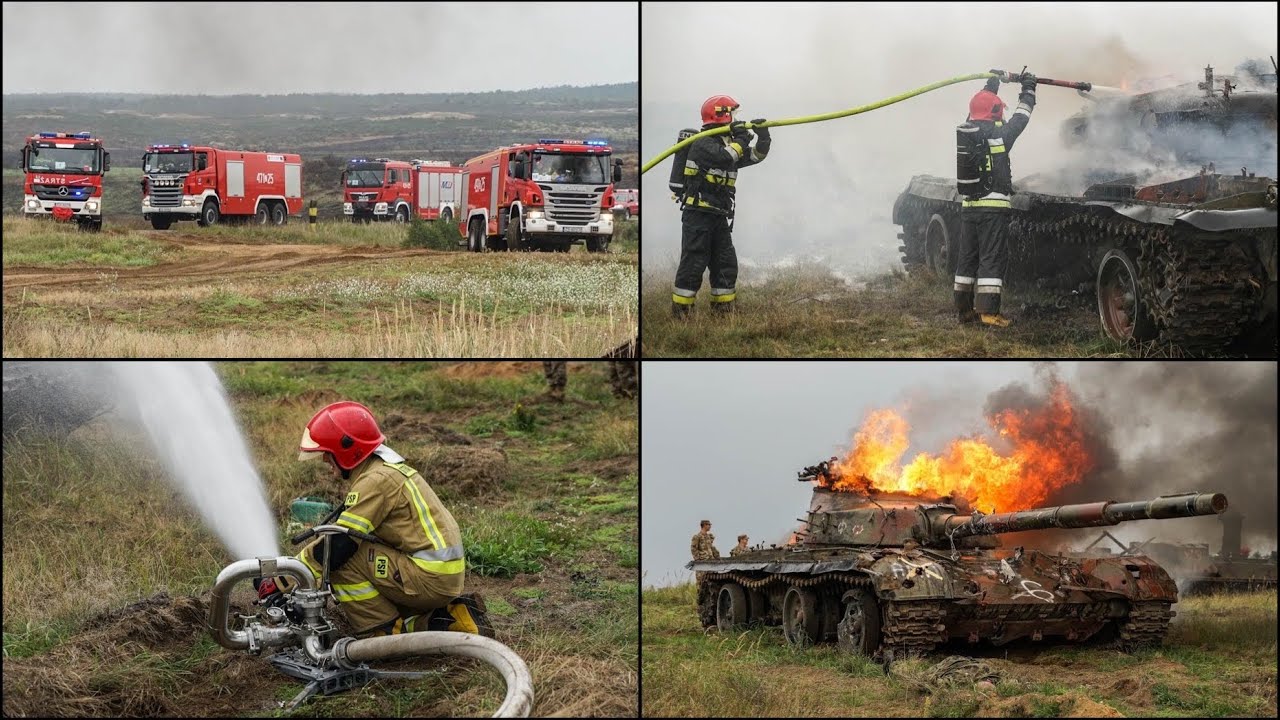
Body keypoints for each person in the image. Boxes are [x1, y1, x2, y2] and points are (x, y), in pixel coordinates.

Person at [257, 401, 493, 639]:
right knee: (343, 550)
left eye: (328, 454)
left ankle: (380, 632)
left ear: (347, 449)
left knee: (342, 558)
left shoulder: (377, 481)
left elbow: (339, 545)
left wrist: (282, 578)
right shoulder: (383, 470)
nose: (325, 461)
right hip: (435, 574)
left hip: (428, 577)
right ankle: (450, 620)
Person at [671, 95, 771, 316]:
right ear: (722, 115)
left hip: (718, 215)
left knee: (725, 262)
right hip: (698, 215)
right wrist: (742, 138)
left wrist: (763, 138)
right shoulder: (702, 143)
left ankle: (723, 312)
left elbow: (754, 157)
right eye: (733, 115)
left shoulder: (729, 145)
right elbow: (726, 158)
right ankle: (681, 314)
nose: (736, 119)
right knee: (694, 263)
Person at [954, 71, 1038, 327]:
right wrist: (1029, 88)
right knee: (992, 259)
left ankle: (964, 311)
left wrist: (992, 84)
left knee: (967, 259)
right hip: (993, 209)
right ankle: (989, 313)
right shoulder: (1000, 134)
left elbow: (982, 107)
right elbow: (1022, 116)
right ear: (995, 112)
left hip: (969, 207)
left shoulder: (967, 128)